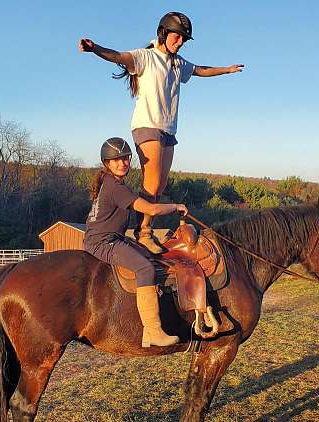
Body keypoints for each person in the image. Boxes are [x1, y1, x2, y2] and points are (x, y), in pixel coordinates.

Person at [79, 11, 244, 253]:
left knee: (160, 185)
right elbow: (118, 56)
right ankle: (143, 232)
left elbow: (201, 70)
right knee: (152, 180)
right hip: (147, 124)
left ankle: (145, 228)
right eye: (177, 37)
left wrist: (226, 70)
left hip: (168, 129)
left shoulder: (178, 63)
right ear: (163, 33)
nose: (180, 43)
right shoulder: (146, 57)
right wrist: (95, 48)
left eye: (184, 40)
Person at [84, 137, 188, 347]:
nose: (122, 163)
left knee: (149, 254)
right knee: (144, 268)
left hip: (108, 238)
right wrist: (176, 206)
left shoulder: (110, 183)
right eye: (116, 160)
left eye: (125, 159)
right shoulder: (116, 188)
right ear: (107, 163)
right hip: (104, 242)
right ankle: (152, 331)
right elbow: (151, 209)